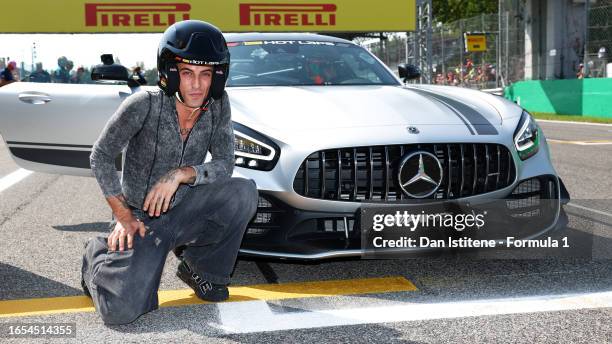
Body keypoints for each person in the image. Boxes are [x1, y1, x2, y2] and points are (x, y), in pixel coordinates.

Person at [81, 20, 259, 325]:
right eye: (187, 73)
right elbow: (100, 155)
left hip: (185, 209)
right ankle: (95, 257)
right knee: (122, 313)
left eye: (206, 74)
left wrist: (182, 174)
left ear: (217, 77)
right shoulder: (143, 106)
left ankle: (201, 269)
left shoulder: (218, 105)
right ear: (170, 73)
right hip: (140, 219)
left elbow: (225, 163)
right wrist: (123, 216)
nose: (197, 85)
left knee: (243, 192)